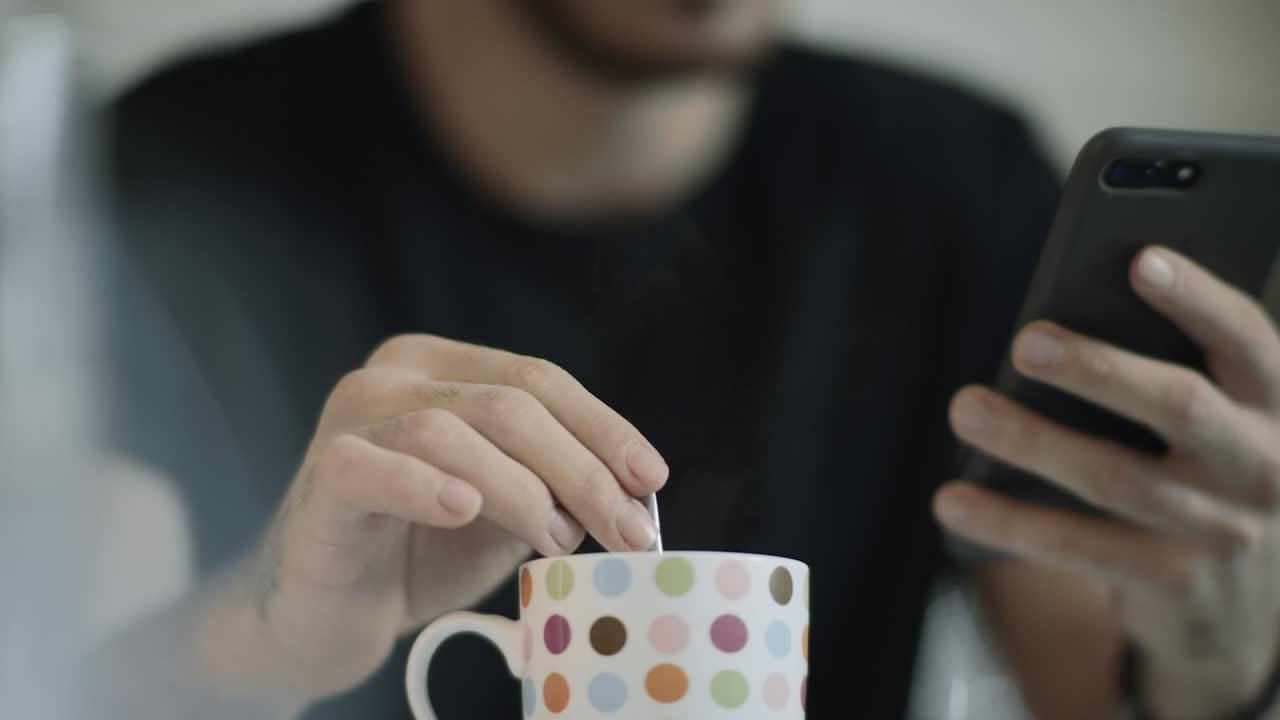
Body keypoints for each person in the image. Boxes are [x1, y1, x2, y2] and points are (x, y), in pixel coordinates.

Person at [100, 1, 1280, 718]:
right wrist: (264, 641)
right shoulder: (159, 172)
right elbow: (67, 679)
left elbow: (1089, 684)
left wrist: (1212, 653)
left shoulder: (948, 184)